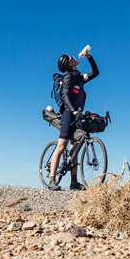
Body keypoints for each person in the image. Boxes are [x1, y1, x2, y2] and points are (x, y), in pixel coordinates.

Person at [47, 48, 99, 191]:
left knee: (74, 147)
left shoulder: (79, 77)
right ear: (70, 64)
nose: (74, 57)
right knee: (61, 146)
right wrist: (73, 110)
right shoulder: (68, 77)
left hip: (77, 115)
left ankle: (74, 182)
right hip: (68, 114)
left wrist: (89, 57)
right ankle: (51, 180)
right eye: (71, 58)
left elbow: (95, 72)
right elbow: (65, 96)